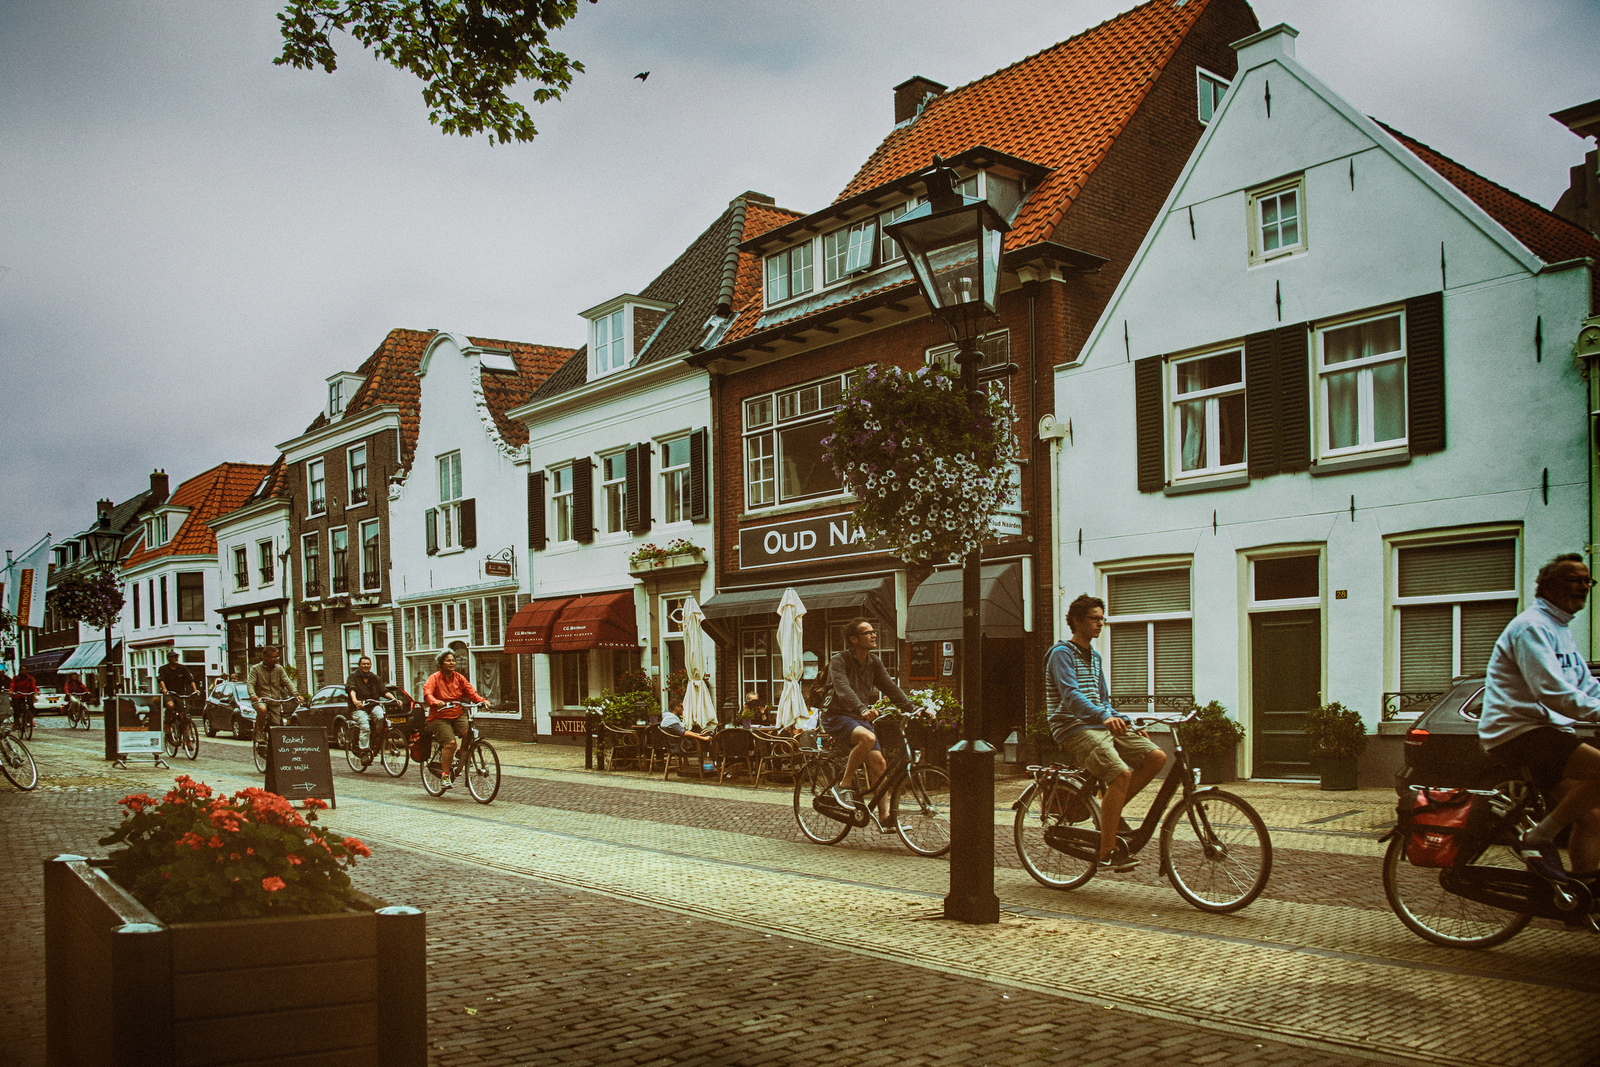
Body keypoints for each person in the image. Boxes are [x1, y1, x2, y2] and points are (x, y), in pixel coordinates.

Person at [1478, 553, 1600, 882]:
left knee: (1592, 819)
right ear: (1546, 586)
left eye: (1587, 581)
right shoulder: (1531, 626)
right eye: (1574, 579)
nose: (1583, 587)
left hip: (1546, 732)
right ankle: (1537, 837)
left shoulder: (1561, 629)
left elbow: (1585, 686)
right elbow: (1550, 690)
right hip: (1519, 732)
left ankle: (1578, 902)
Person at [1045, 594, 1168, 873]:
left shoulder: (1096, 657)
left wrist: (1127, 723)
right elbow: (1071, 696)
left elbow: (1103, 699)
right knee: (1121, 774)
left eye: (1102, 619)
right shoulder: (1061, 653)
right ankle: (1106, 851)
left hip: (1100, 722)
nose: (1100, 624)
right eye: (1094, 619)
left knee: (1156, 757)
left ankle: (1108, 812)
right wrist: (1104, 717)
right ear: (1077, 621)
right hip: (1072, 727)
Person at [821, 617, 914, 827]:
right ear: (854, 639)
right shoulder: (839, 660)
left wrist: (913, 708)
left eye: (873, 632)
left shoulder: (874, 661)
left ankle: (885, 818)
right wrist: (862, 708)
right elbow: (843, 689)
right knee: (868, 737)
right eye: (867, 633)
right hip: (836, 715)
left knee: (880, 763)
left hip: (857, 717)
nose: (874, 635)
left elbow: (890, 687)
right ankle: (843, 786)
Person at [422, 651, 485, 792]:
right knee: (450, 744)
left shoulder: (459, 678)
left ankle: (462, 752)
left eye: (453, 660)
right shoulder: (434, 678)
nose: (452, 663)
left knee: (470, 733)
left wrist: (482, 701)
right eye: (448, 660)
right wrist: (435, 701)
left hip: (457, 713)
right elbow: (427, 693)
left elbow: (471, 692)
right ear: (440, 664)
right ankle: (445, 776)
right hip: (438, 717)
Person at [247, 645, 297, 736]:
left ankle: (273, 746)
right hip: (261, 700)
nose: (276, 659)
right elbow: (250, 684)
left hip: (275, 701)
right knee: (262, 709)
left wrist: (296, 694)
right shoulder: (255, 669)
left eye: (277, 656)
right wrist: (253, 696)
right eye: (273, 657)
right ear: (265, 657)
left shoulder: (279, 669)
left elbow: (287, 681)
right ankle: (260, 731)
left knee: (276, 726)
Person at [345, 655, 386, 755]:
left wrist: (395, 699)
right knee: (365, 726)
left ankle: (376, 737)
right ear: (359, 665)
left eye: (368, 664)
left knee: (381, 717)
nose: (366, 666)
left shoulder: (375, 678)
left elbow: (384, 690)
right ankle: (364, 751)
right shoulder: (353, 677)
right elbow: (351, 688)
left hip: (372, 705)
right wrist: (354, 700)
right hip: (358, 707)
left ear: (371, 665)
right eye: (363, 664)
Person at [158, 651, 198, 732]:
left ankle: (187, 739)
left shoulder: (183, 668)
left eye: (177, 657)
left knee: (183, 715)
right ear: (169, 659)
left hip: (180, 694)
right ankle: (167, 723)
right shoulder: (163, 669)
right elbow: (161, 680)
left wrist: (195, 690)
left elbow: (191, 680)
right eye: (174, 657)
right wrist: (164, 689)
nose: (176, 658)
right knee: (170, 705)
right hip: (169, 693)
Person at [9, 667, 39, 735]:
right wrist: (11, 691)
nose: (23, 671)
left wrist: (35, 691)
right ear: (20, 671)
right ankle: (16, 722)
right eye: (22, 670)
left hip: (27, 694)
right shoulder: (16, 678)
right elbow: (12, 685)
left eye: (25, 670)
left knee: (31, 707)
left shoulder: (30, 678)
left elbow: (33, 686)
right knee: (16, 708)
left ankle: (30, 720)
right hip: (18, 695)